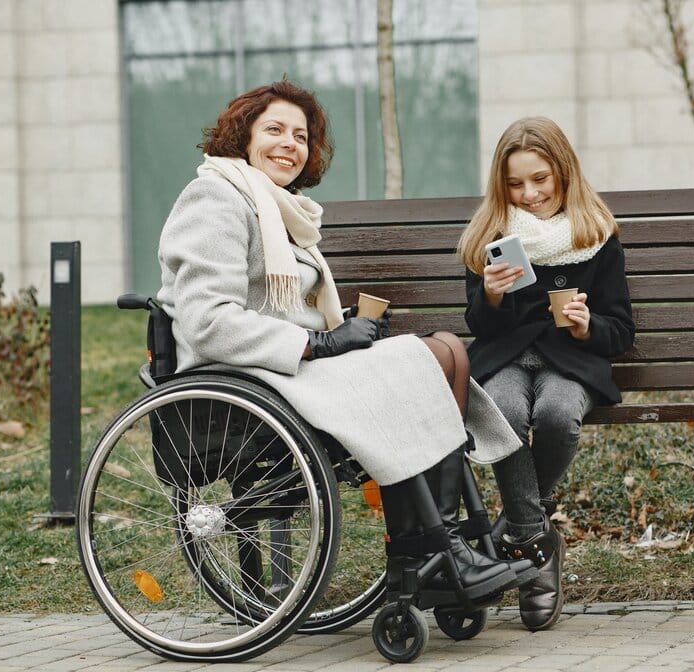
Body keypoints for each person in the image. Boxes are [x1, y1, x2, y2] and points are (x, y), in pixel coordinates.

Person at [156, 79, 534, 602]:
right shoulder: (215, 197)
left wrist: (339, 329)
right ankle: (429, 549)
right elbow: (209, 321)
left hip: (284, 368)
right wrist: (320, 345)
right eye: (275, 130)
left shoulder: (280, 208)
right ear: (243, 137)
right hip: (242, 377)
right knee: (422, 357)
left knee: (446, 349)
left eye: (301, 135)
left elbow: (282, 306)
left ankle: (439, 544)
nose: (290, 143)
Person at [457, 117, 635, 630]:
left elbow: (621, 330)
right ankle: (538, 546)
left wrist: (586, 327)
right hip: (507, 358)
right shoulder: (490, 236)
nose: (529, 193)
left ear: (563, 173)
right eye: (515, 183)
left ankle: (515, 529)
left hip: (570, 363)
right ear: (501, 184)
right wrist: (490, 292)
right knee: (505, 413)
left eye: (540, 179)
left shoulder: (596, 237)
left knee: (558, 414)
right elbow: (479, 325)